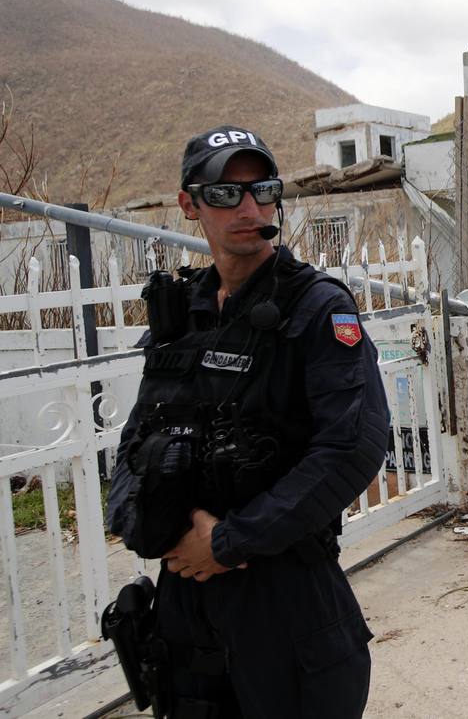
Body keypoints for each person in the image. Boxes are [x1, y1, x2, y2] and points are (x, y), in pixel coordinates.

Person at [106, 126, 391, 717]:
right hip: (185, 597)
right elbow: (136, 439)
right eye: (224, 194)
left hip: (284, 591)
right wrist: (147, 528)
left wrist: (229, 542)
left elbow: (352, 447)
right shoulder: (181, 314)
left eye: (263, 191)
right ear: (190, 204)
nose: (249, 208)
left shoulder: (317, 307)